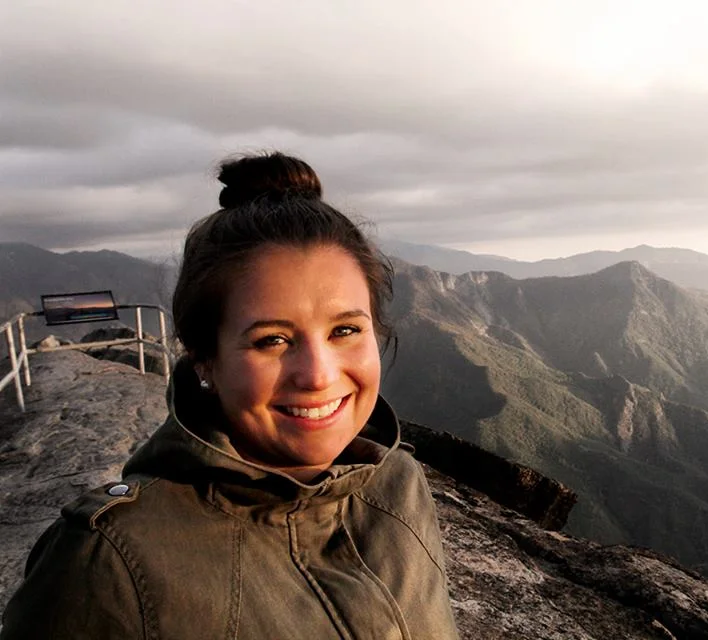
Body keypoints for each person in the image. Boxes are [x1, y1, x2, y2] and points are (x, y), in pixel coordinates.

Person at [1, 152, 460, 639]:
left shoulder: (398, 485)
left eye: (345, 330)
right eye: (272, 340)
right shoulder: (108, 564)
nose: (318, 375)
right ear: (204, 359)